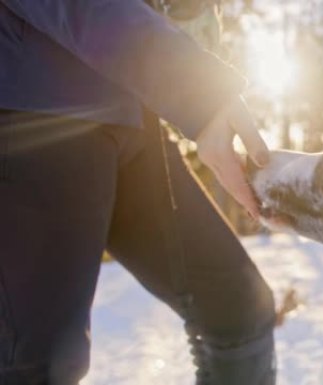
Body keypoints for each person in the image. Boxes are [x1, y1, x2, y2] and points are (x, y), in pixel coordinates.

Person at [0, 1, 277, 384]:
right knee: (41, 361)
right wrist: (198, 91)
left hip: (129, 113)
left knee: (240, 310)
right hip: (36, 112)